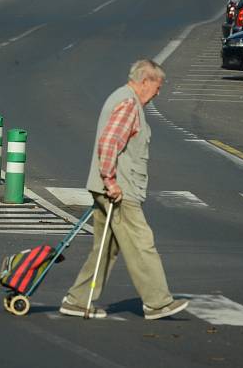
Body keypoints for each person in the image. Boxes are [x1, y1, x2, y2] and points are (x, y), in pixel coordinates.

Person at [60, 59, 189, 320]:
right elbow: (109, 143)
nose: (158, 92)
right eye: (157, 86)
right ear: (145, 81)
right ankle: (157, 302)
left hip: (111, 187)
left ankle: (77, 301)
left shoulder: (122, 98)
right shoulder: (129, 103)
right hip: (119, 190)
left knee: (105, 248)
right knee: (142, 243)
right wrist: (111, 182)